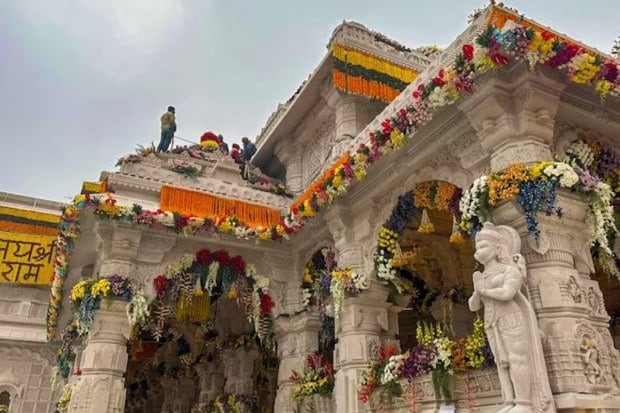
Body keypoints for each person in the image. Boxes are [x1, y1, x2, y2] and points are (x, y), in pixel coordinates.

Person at [468, 223, 553, 413]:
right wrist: (476, 292)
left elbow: (507, 293)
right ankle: (509, 401)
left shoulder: (509, 270)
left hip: (511, 317)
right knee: (501, 362)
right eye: (477, 247)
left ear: (498, 248)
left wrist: (484, 290)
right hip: (491, 321)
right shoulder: (481, 275)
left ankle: (524, 402)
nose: (479, 251)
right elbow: (473, 306)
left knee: (517, 359)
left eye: (484, 246)